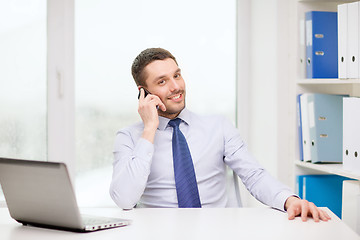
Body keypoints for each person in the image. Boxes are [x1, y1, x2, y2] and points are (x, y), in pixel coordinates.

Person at [110, 48, 331, 222]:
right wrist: (149, 129)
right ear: (143, 91)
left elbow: (254, 175)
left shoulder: (218, 126)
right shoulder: (129, 137)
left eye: (177, 75)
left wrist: (289, 200)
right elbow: (124, 198)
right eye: (162, 81)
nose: (176, 86)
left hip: (219, 231)